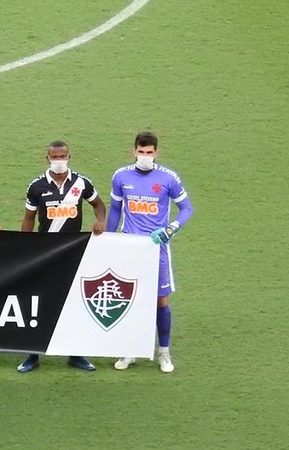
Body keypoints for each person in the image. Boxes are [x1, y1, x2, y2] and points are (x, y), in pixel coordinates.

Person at [16, 141, 107, 373]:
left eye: (62, 156)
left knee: (73, 303)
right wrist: (23, 246)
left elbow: (98, 205)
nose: (59, 160)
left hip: (72, 251)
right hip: (45, 251)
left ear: (69, 156)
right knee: (39, 303)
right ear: (46, 158)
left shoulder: (81, 183)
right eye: (54, 156)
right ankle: (32, 355)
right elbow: (29, 218)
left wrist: (101, 221)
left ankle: (75, 354)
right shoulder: (36, 186)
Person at [106, 131, 193, 373]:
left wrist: (170, 229)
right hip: (129, 248)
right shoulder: (121, 176)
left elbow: (186, 209)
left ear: (156, 152)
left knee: (160, 300)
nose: (145, 156)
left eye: (149, 152)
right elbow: (115, 210)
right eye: (141, 152)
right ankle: (130, 351)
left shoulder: (168, 178)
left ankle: (164, 353)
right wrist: (109, 239)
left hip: (156, 248)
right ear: (134, 151)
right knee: (128, 299)